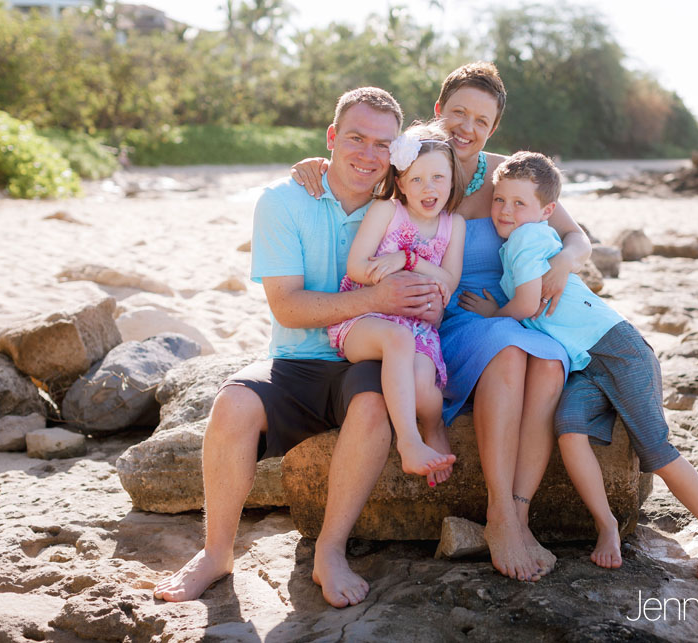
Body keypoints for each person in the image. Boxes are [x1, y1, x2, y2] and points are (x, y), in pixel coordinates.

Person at [292, 62, 593, 583]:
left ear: (493, 127)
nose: (467, 127)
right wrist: (314, 164)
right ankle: (499, 510)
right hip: (442, 316)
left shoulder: (505, 173)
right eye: (458, 112)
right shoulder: (413, 160)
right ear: (438, 111)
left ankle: (514, 513)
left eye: (481, 119)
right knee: (509, 347)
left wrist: (564, 263)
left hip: (496, 309)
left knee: (535, 358)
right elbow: (360, 160)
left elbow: (576, 236)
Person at [152, 87, 447, 608]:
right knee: (231, 404)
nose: (368, 154)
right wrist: (378, 295)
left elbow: (460, 166)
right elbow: (287, 307)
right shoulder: (284, 201)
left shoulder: (398, 207)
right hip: (295, 358)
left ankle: (329, 551)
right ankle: (216, 553)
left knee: (374, 402)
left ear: (395, 153)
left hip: (364, 356)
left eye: (382, 144)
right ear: (331, 138)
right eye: (355, 138)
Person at [460, 151, 698, 578]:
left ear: (546, 212)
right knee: (570, 430)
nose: (505, 211)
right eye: (500, 200)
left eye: (519, 203)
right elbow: (532, 301)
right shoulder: (520, 240)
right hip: (584, 362)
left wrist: (490, 313)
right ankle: (606, 526)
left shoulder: (525, 239)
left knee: (655, 449)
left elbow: (528, 304)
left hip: (617, 349)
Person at [328, 120, 466, 484]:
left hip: (419, 325)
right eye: (417, 179)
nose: (428, 187)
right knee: (397, 339)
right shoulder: (387, 211)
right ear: (401, 182)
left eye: (438, 177)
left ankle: (433, 424)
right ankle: (410, 443)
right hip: (364, 317)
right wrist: (386, 277)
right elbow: (357, 268)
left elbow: (449, 282)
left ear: (453, 180)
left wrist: (407, 261)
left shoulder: (455, 225)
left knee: (424, 387)